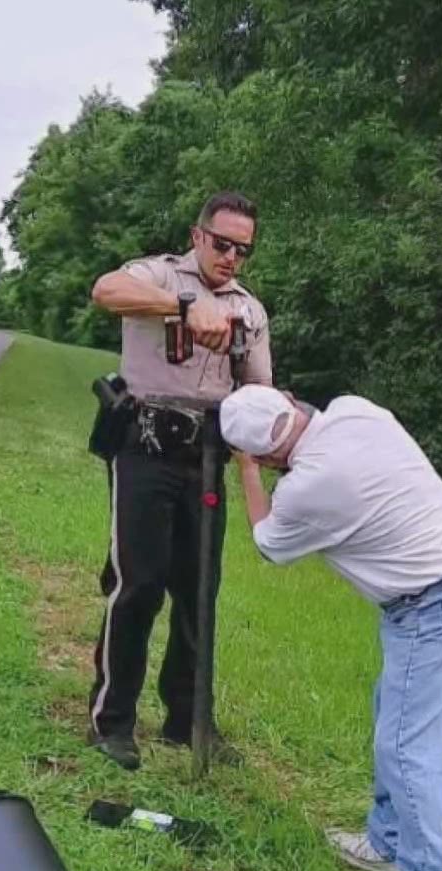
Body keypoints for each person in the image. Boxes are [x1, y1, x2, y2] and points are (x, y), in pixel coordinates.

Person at [220, 384, 442, 871]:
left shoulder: (306, 488)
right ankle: (386, 844)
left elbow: (268, 543)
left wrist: (246, 473)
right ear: (291, 399)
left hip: (434, 602)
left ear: (269, 458)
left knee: (407, 749)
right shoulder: (355, 410)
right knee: (391, 718)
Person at [83, 191, 274, 770]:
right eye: (222, 244)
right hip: (145, 445)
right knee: (138, 585)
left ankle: (188, 721)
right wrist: (183, 307)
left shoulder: (250, 308)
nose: (231, 258)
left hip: (208, 455)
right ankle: (111, 721)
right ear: (198, 237)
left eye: (243, 250)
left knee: (198, 593)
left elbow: (259, 392)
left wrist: (253, 463)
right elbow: (104, 290)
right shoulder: (158, 275)